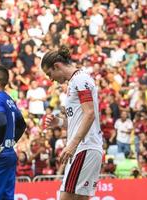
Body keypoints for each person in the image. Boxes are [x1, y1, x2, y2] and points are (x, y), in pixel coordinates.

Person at [41, 46, 103, 200]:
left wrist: (72, 144)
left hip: (84, 147)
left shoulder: (80, 79)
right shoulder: (75, 81)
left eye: (50, 74)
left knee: (66, 197)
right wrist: (59, 122)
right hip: (85, 147)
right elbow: (79, 120)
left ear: (57, 66)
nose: (51, 79)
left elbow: (89, 114)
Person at [0, 65, 27, 199]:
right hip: (9, 155)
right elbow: (22, 125)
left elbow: (1, 122)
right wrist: (10, 142)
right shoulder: (9, 100)